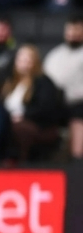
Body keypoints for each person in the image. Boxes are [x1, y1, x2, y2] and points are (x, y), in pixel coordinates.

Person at [0, 45, 65, 161]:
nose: (24, 63)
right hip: (10, 121)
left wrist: (23, 116)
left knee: (18, 130)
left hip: (39, 124)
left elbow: (45, 108)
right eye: (20, 60)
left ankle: (23, 165)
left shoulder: (43, 82)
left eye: (27, 60)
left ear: (35, 62)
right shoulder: (10, 82)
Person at [44, 14, 83, 160]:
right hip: (56, 102)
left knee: (79, 113)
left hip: (78, 102)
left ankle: (78, 159)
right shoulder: (55, 55)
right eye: (70, 30)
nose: (73, 34)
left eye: (78, 30)